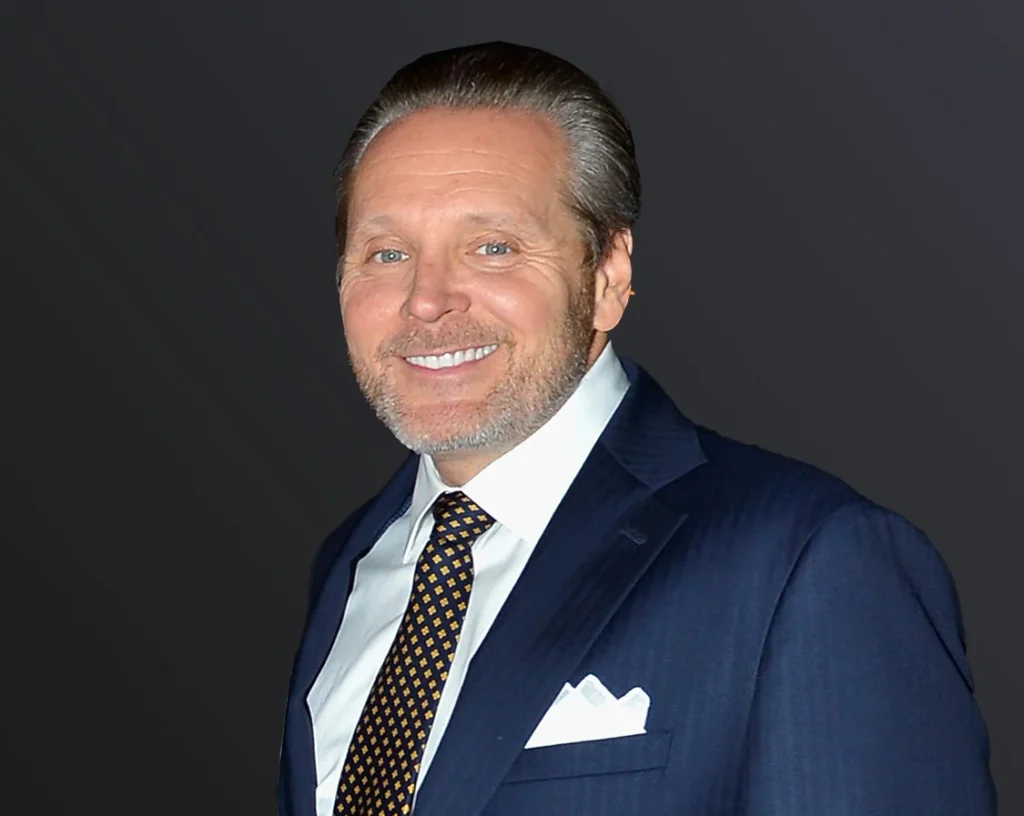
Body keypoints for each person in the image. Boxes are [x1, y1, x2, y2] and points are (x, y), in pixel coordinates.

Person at [278, 41, 995, 816]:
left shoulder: (808, 562)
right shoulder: (353, 561)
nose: (426, 299)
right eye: (386, 252)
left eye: (493, 248)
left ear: (609, 276)